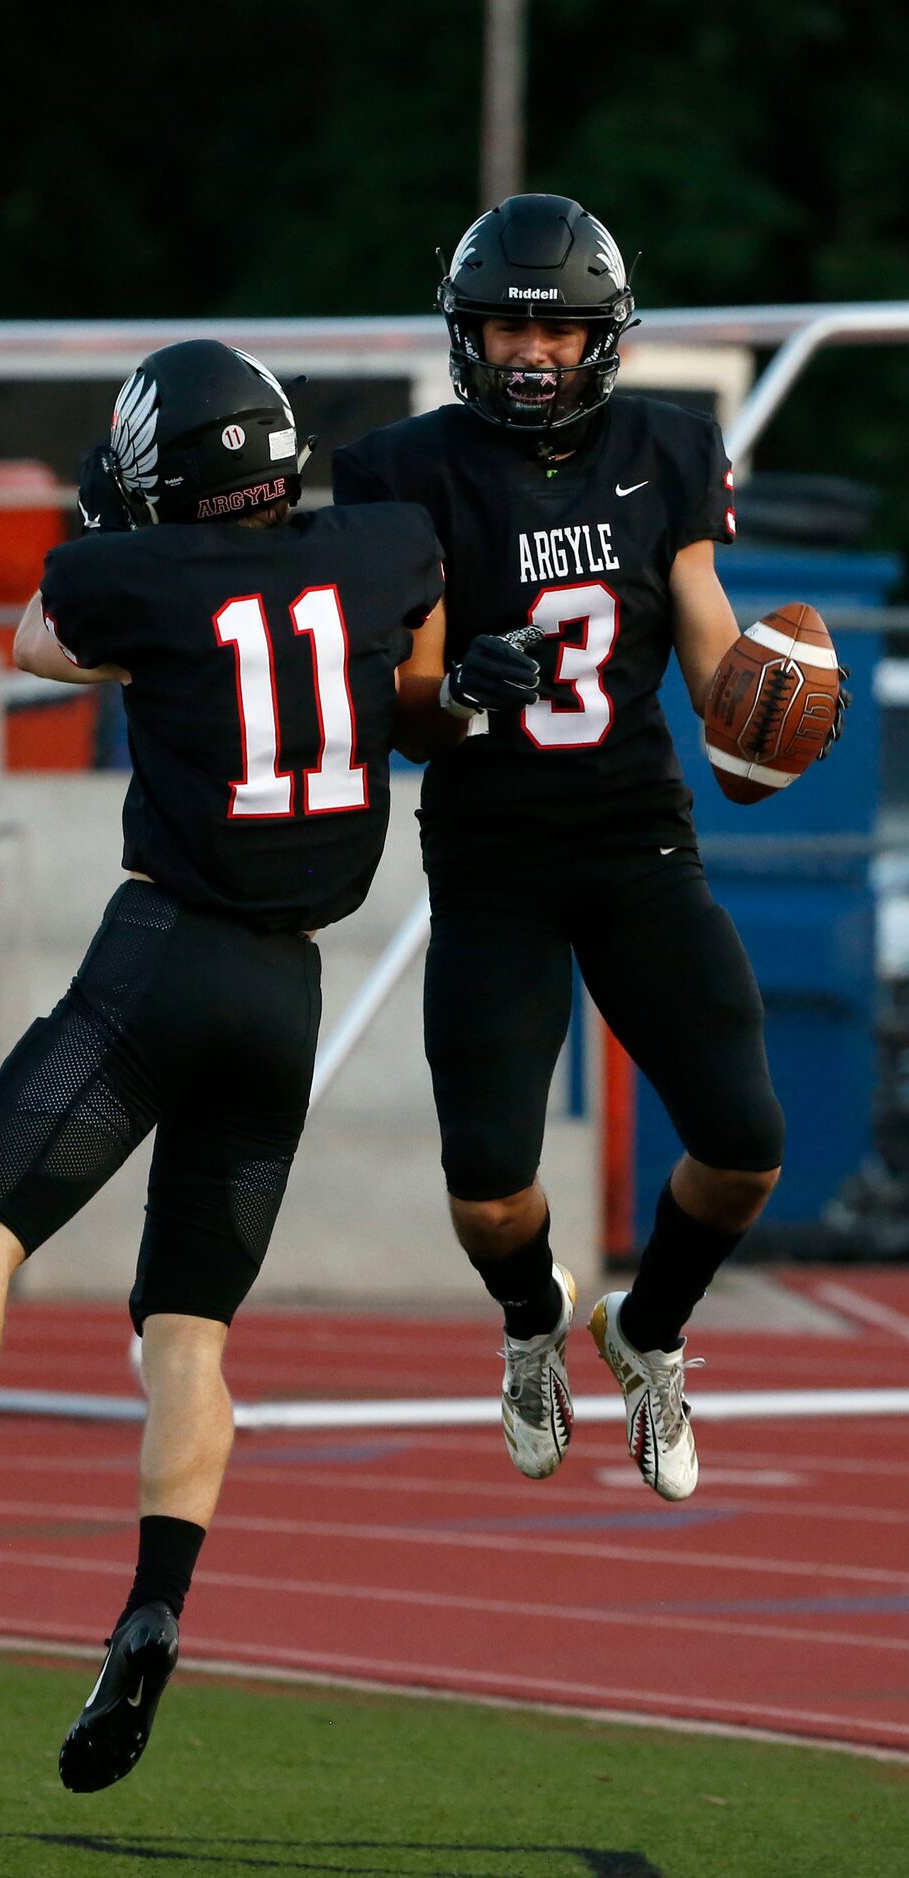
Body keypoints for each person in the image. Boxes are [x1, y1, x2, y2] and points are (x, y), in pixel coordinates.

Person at [0, 340, 445, 1792]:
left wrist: (127, 553)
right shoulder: (382, 550)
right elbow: (410, 644)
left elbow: (35, 638)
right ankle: (154, 1604)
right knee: (189, 1336)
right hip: (288, 993)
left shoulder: (137, 579)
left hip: (161, 958)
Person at [332, 194, 827, 1503]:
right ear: (467, 334)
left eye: (557, 330)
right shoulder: (403, 470)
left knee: (745, 1141)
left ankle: (648, 1331)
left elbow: (707, 627)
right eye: (505, 327)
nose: (532, 353)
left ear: (605, 339)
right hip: (492, 853)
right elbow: (415, 718)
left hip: (634, 839)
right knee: (491, 1187)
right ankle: (528, 1318)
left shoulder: (666, 447)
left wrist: (760, 722)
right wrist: (465, 688)